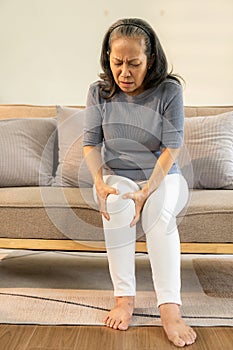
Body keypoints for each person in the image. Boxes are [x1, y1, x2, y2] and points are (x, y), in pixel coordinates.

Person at [82, 18, 197, 347]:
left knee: (158, 211)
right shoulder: (99, 92)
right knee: (116, 204)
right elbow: (91, 143)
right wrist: (100, 183)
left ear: (151, 60)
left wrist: (148, 190)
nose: (125, 73)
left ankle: (170, 308)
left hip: (163, 177)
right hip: (117, 175)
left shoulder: (169, 90)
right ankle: (124, 299)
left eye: (134, 64)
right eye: (117, 63)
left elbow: (172, 146)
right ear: (108, 57)